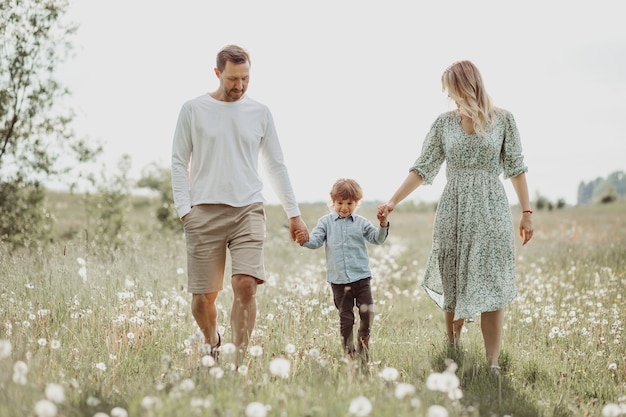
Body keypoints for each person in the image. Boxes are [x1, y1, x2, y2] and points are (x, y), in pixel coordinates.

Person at [377, 60, 534, 374]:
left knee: (491, 281)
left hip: (492, 211)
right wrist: (393, 200)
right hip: (454, 209)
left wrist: (527, 212)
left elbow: (516, 169)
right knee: (453, 279)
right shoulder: (443, 123)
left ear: (468, 86)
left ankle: (491, 363)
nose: (450, 97)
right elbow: (423, 167)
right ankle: (454, 351)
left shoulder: (504, 120)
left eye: (453, 90)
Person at [171, 44, 309, 364]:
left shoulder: (260, 113)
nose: (240, 86)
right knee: (203, 298)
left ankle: (237, 362)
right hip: (203, 211)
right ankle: (213, 340)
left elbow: (276, 165)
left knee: (245, 285)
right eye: (233, 79)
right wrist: (184, 211)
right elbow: (179, 163)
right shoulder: (193, 109)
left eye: (245, 78)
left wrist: (294, 214)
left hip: (248, 208)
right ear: (217, 73)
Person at [295, 178, 389, 364]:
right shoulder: (325, 223)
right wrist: (303, 240)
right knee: (346, 319)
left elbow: (377, 239)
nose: (344, 207)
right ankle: (349, 354)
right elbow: (315, 241)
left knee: (367, 313)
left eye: (349, 203)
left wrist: (383, 224)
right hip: (338, 281)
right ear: (332, 201)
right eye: (340, 203)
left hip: (362, 278)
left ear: (357, 202)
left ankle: (364, 344)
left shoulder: (361, 223)